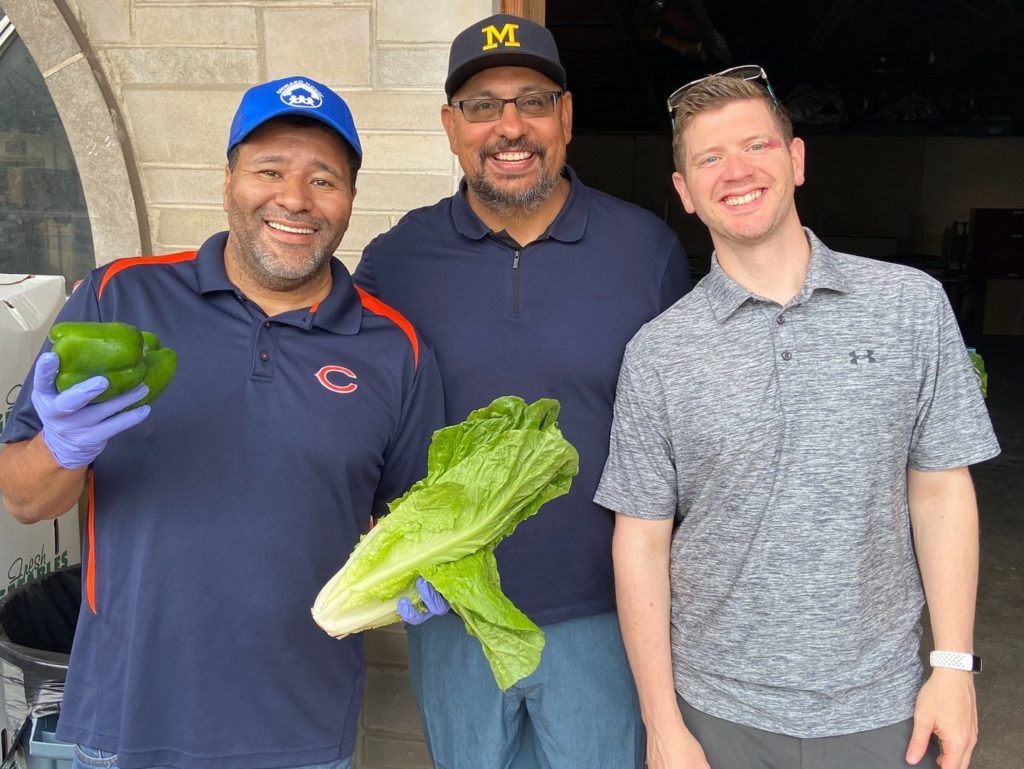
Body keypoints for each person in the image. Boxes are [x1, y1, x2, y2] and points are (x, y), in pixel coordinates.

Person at [0, 75, 448, 769]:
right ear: (229, 179)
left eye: (324, 179)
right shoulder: (120, 297)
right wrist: (61, 448)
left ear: (351, 200)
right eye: (270, 170)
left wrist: (432, 567)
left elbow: (416, 518)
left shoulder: (396, 348)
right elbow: (24, 498)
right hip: (124, 722)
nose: (295, 199)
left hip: (299, 733)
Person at [594, 66, 1001, 769]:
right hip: (715, 711)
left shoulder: (909, 306)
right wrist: (662, 723)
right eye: (709, 158)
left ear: (797, 160)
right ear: (685, 194)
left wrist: (954, 664)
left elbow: (939, 489)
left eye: (756, 145)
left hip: (882, 709)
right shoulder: (659, 352)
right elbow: (641, 541)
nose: (737, 171)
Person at [353, 13, 691, 769]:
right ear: (450, 126)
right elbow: (353, 410)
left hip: (603, 614)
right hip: (454, 613)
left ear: (565, 117)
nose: (510, 126)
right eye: (481, 106)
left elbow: (691, 428)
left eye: (532, 100)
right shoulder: (397, 259)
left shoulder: (645, 250)